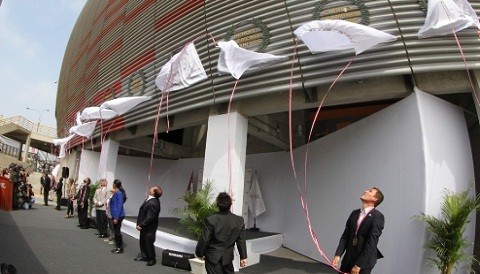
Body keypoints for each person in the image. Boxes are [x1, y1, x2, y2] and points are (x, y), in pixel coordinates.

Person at [332, 187, 385, 274]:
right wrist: (338, 254)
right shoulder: (354, 213)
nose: (365, 191)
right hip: (348, 259)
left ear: (375, 198)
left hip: (363, 263)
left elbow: (372, 243)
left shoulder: (377, 216)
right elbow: (345, 236)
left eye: (370, 191)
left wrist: (359, 265)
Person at [195, 192, 247, 274]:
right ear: (230, 204)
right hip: (228, 258)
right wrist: (243, 257)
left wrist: (199, 253)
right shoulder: (239, 221)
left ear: (217, 204)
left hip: (213, 257)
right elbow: (241, 240)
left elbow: (205, 239)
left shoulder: (211, 219)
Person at [134, 186, 162, 266]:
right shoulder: (150, 199)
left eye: (152, 188)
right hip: (144, 226)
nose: (150, 188)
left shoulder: (154, 202)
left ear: (154, 192)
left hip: (149, 227)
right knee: (143, 241)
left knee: (149, 242)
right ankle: (144, 256)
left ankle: (152, 259)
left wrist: (141, 225)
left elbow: (150, 217)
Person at [110, 180, 126, 254]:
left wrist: (116, 217)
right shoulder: (116, 193)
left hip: (118, 215)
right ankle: (118, 246)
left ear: (115, 185)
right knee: (116, 231)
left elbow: (119, 206)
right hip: (114, 214)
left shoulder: (119, 193)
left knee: (117, 232)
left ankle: (119, 247)